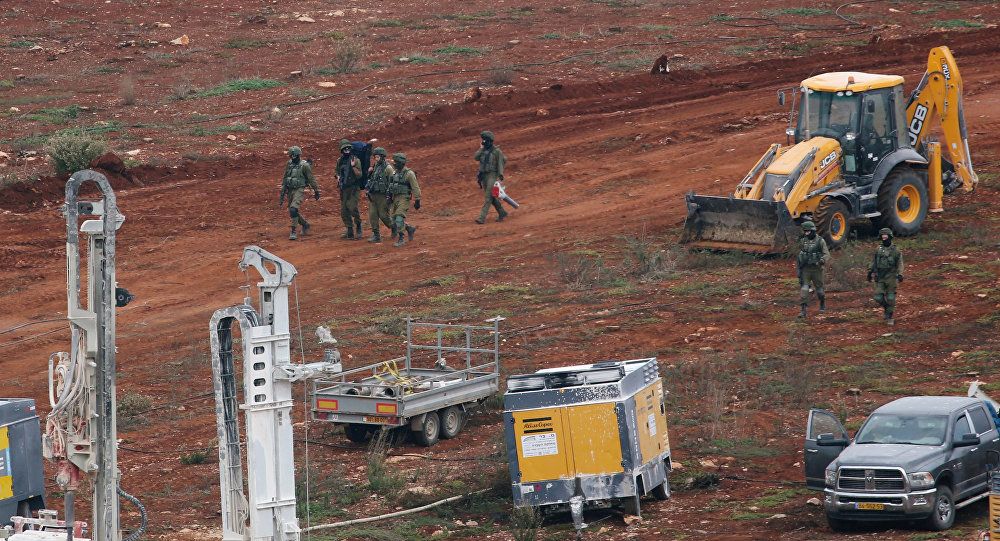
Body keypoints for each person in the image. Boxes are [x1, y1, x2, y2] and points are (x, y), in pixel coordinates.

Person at [278, 146, 319, 240]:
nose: (293, 157)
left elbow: (311, 178)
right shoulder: (289, 164)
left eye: (295, 156)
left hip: (299, 189)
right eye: (291, 156)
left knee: (293, 209)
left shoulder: (305, 166)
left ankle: (293, 231)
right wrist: (283, 190)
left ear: (299, 155)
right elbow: (285, 177)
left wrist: (316, 190)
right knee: (292, 211)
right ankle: (305, 224)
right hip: (290, 189)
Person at [868, 227, 903, 325]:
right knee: (878, 297)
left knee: (891, 297)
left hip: (891, 276)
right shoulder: (878, 249)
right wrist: (870, 272)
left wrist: (900, 274)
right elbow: (873, 261)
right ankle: (887, 308)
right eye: (882, 237)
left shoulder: (895, 250)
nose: (884, 238)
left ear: (890, 237)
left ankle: (889, 315)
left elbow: (900, 263)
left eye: (886, 236)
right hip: (880, 276)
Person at [796, 221, 830, 318]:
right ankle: (803, 311)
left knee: (820, 291)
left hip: (817, 269)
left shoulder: (820, 241)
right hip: (806, 269)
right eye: (805, 231)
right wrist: (799, 267)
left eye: (808, 231)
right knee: (804, 290)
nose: (806, 233)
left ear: (813, 231)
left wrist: (821, 261)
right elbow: (800, 254)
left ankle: (822, 303)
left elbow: (827, 254)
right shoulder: (803, 241)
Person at [387, 152, 421, 247]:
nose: (394, 163)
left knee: (399, 217)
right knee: (393, 220)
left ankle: (401, 238)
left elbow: (415, 187)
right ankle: (409, 228)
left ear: (400, 163)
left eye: (395, 162)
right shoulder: (394, 173)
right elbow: (390, 186)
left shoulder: (409, 174)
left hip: (404, 198)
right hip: (395, 198)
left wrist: (417, 200)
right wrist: (389, 197)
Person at [473, 130, 507, 224]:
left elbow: (501, 163)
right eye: (483, 140)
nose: (483, 141)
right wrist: (481, 148)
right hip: (484, 176)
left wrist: (500, 177)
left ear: (490, 141)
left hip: (493, 175)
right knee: (491, 197)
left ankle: (481, 218)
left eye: (485, 140)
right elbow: (476, 157)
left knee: (488, 197)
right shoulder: (483, 150)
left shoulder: (497, 151)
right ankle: (502, 212)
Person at [364, 147, 395, 243]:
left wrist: (390, 196)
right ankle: (376, 235)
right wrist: (369, 173)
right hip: (373, 195)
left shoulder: (388, 168)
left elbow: (393, 182)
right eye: (375, 157)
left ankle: (396, 227)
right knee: (372, 215)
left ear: (382, 157)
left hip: (383, 196)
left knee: (384, 216)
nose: (376, 159)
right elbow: (372, 179)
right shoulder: (375, 166)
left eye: (377, 157)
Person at [336, 139, 364, 240]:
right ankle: (349, 229)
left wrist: (353, 167)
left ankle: (359, 225)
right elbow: (337, 172)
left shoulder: (355, 160)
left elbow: (359, 175)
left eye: (348, 148)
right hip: (344, 189)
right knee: (344, 211)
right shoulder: (339, 161)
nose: (347, 150)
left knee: (352, 207)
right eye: (345, 149)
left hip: (353, 188)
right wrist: (338, 177)